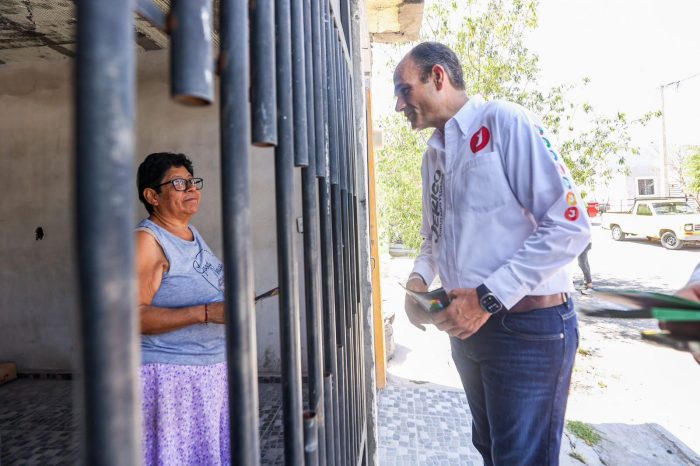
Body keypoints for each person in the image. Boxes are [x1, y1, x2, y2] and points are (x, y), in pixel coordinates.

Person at [395, 43, 591, 465]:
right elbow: (435, 236)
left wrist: (487, 297)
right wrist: (417, 281)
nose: (398, 104)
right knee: (494, 454)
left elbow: (571, 226)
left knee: (520, 459)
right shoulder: (434, 154)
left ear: (438, 77)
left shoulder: (505, 121)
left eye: (403, 89)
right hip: (468, 333)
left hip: (528, 331)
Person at [135, 152, 229, 465]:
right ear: (152, 196)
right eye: (179, 183)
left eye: (192, 182)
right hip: (172, 378)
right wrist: (206, 312)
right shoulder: (148, 240)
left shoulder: (189, 232)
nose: (191, 189)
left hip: (205, 374)